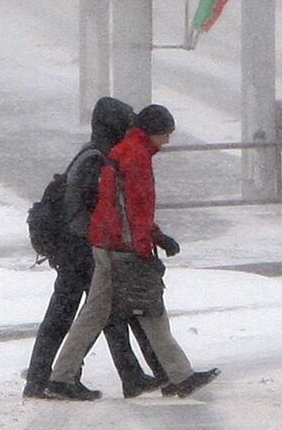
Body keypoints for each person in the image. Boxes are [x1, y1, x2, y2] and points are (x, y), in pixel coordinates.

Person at [47, 104, 217, 400]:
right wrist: (142, 249)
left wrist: (156, 236)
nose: (167, 141)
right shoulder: (136, 158)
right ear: (153, 131)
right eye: (166, 134)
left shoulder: (126, 152)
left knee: (97, 313)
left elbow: (126, 207)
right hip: (120, 246)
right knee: (149, 308)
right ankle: (180, 377)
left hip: (107, 241)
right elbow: (131, 211)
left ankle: (61, 377)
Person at [22, 96, 168, 399]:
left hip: (76, 246)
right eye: (125, 124)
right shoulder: (99, 159)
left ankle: (128, 376)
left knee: (103, 311)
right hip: (81, 247)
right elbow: (97, 206)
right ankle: (55, 379)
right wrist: (108, 240)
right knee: (90, 313)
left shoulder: (93, 154)